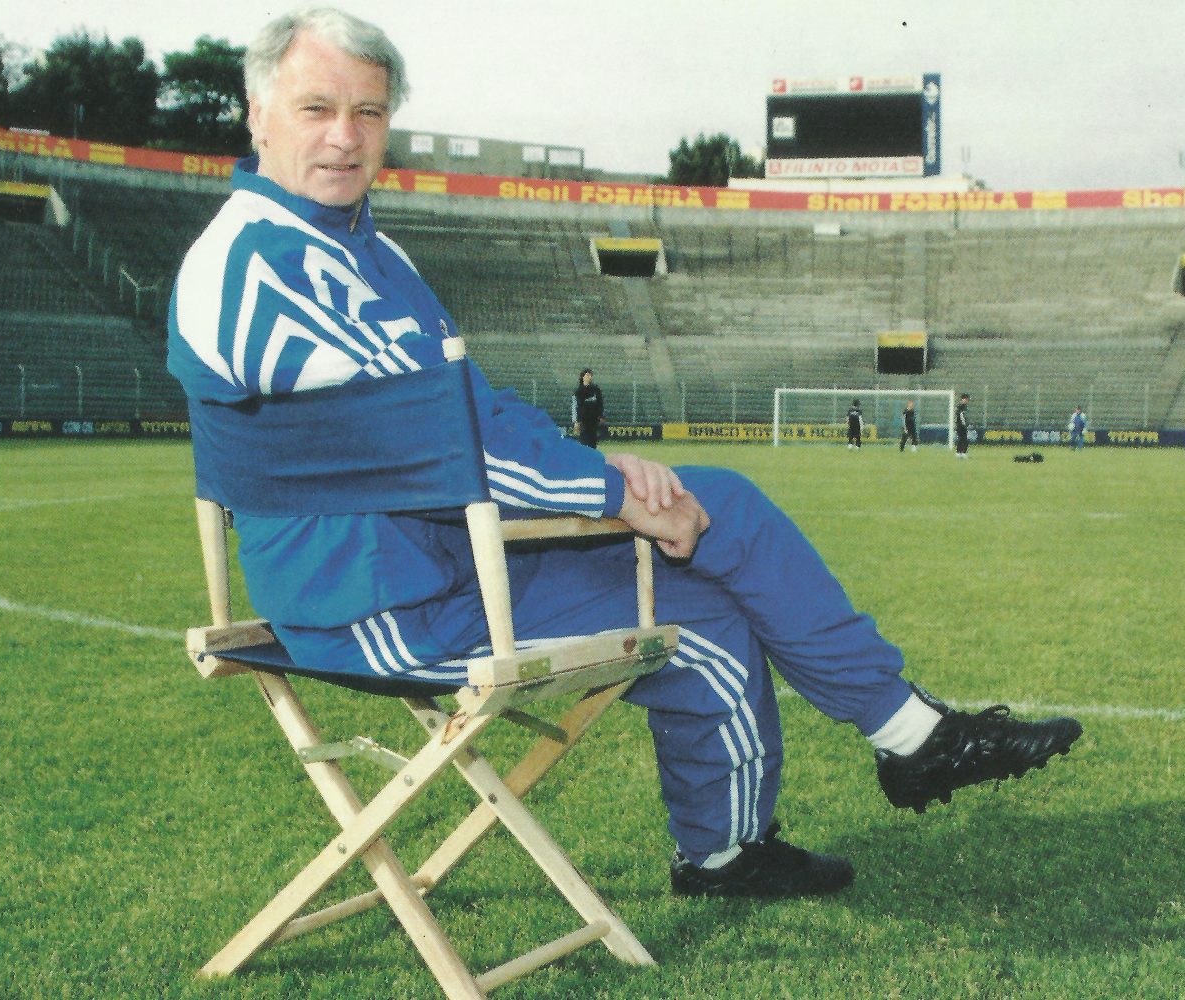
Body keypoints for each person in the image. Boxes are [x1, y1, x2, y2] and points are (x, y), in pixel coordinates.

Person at [169, 5, 1081, 900]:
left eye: (367, 112)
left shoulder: (360, 248)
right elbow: (440, 448)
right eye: (317, 108)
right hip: (369, 603)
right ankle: (902, 740)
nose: (344, 136)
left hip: (438, 563)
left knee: (710, 581)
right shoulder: (259, 266)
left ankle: (755, 835)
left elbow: (473, 409)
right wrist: (612, 491)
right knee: (712, 523)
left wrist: (611, 475)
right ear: (257, 114)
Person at [573, 368, 605, 448]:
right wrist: (576, 421)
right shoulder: (578, 391)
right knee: (584, 440)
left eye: (590, 375)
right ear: (582, 377)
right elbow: (576, 407)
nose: (589, 377)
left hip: (593, 419)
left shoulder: (596, 389)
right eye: (587, 375)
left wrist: (601, 416)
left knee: (593, 441)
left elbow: (600, 403)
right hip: (583, 420)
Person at [954, 392, 971, 458]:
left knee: (963, 439)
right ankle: (961, 452)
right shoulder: (960, 407)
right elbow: (961, 416)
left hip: (962, 425)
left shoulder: (964, 407)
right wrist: (964, 424)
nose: (967, 401)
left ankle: (961, 452)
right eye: (966, 399)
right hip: (960, 425)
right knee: (962, 439)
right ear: (963, 399)